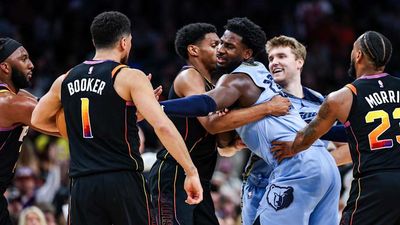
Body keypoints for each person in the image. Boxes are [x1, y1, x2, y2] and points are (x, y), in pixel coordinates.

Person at [160, 17, 340, 225]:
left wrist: (157, 107)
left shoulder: (235, 80)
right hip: (325, 166)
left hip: (297, 166)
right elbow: (224, 143)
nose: (220, 50)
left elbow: (205, 105)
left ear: (246, 53)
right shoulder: (261, 74)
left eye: (229, 46)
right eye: (219, 44)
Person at [31, 11, 203, 225]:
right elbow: (163, 126)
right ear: (123, 42)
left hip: (82, 184)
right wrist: (191, 171)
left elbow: (37, 119)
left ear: (95, 41)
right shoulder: (128, 76)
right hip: (122, 179)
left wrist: (82, 133)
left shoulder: (65, 79)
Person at [149, 23, 290, 225]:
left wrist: (232, 143)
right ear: (193, 50)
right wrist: (267, 108)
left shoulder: (215, 87)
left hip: (200, 176)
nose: (220, 49)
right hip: (175, 174)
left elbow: (221, 144)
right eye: (215, 44)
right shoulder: (189, 76)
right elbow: (211, 125)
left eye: (223, 44)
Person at [271, 31, 400, 225]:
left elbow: (305, 138)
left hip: (374, 184)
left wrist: (291, 147)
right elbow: (361, 130)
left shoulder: (342, 97)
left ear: (358, 55)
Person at [241, 35, 352, 225]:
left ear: (299, 62)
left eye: (281, 56)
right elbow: (225, 147)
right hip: (265, 183)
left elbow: (352, 146)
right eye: (271, 58)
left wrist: (314, 160)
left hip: (313, 185)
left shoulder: (320, 102)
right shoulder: (261, 98)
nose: (274, 62)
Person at [0, 37, 37, 225]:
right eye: (23, 59)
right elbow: (64, 126)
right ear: (5, 67)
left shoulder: (17, 98)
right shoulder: (9, 102)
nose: (31, 65)